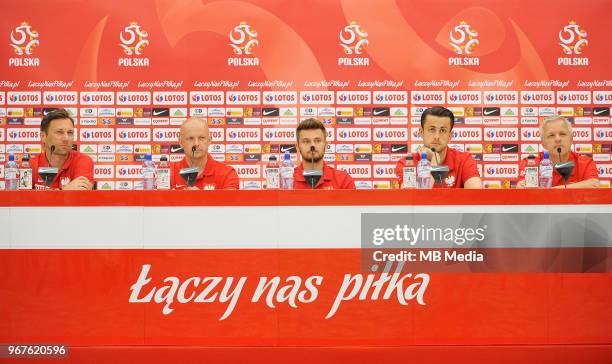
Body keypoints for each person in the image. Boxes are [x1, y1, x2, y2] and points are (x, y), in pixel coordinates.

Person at [395, 106, 482, 188]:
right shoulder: (407, 163)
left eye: (443, 130)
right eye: (432, 129)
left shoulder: (464, 160)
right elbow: (412, 198)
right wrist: (433, 163)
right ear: (421, 132)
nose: (437, 136)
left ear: (450, 136)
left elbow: (477, 197)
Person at [517, 115, 599, 188]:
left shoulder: (585, 163)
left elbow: (594, 185)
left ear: (571, 139)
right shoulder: (530, 163)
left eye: (562, 134)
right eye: (551, 135)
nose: (557, 139)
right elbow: (522, 188)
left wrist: (552, 192)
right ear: (543, 143)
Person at [31, 108, 94, 190]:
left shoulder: (82, 161)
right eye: (59, 132)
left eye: (70, 133)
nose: (66, 138)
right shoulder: (32, 165)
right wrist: (65, 190)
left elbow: (80, 195)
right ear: (43, 136)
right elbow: (22, 200)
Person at [170, 117, 239, 190]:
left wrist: (200, 198)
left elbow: (230, 201)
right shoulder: (168, 173)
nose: (196, 144)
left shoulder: (227, 174)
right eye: (190, 138)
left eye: (201, 138)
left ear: (209, 141)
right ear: (181, 142)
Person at [293, 118, 355, 189]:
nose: (312, 145)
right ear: (297, 147)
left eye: (318, 141)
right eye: (306, 141)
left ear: (325, 145)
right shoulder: (286, 180)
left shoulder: (344, 180)